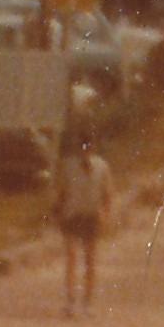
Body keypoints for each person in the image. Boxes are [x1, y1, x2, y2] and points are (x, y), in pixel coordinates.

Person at [52, 126, 110, 312]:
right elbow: (61, 192)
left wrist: (105, 215)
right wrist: (58, 214)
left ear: (93, 148)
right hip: (72, 215)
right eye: (82, 147)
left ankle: (88, 301)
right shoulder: (68, 166)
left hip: (91, 216)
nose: (85, 151)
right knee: (71, 257)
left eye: (88, 147)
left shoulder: (101, 167)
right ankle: (70, 300)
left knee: (90, 260)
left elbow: (107, 194)